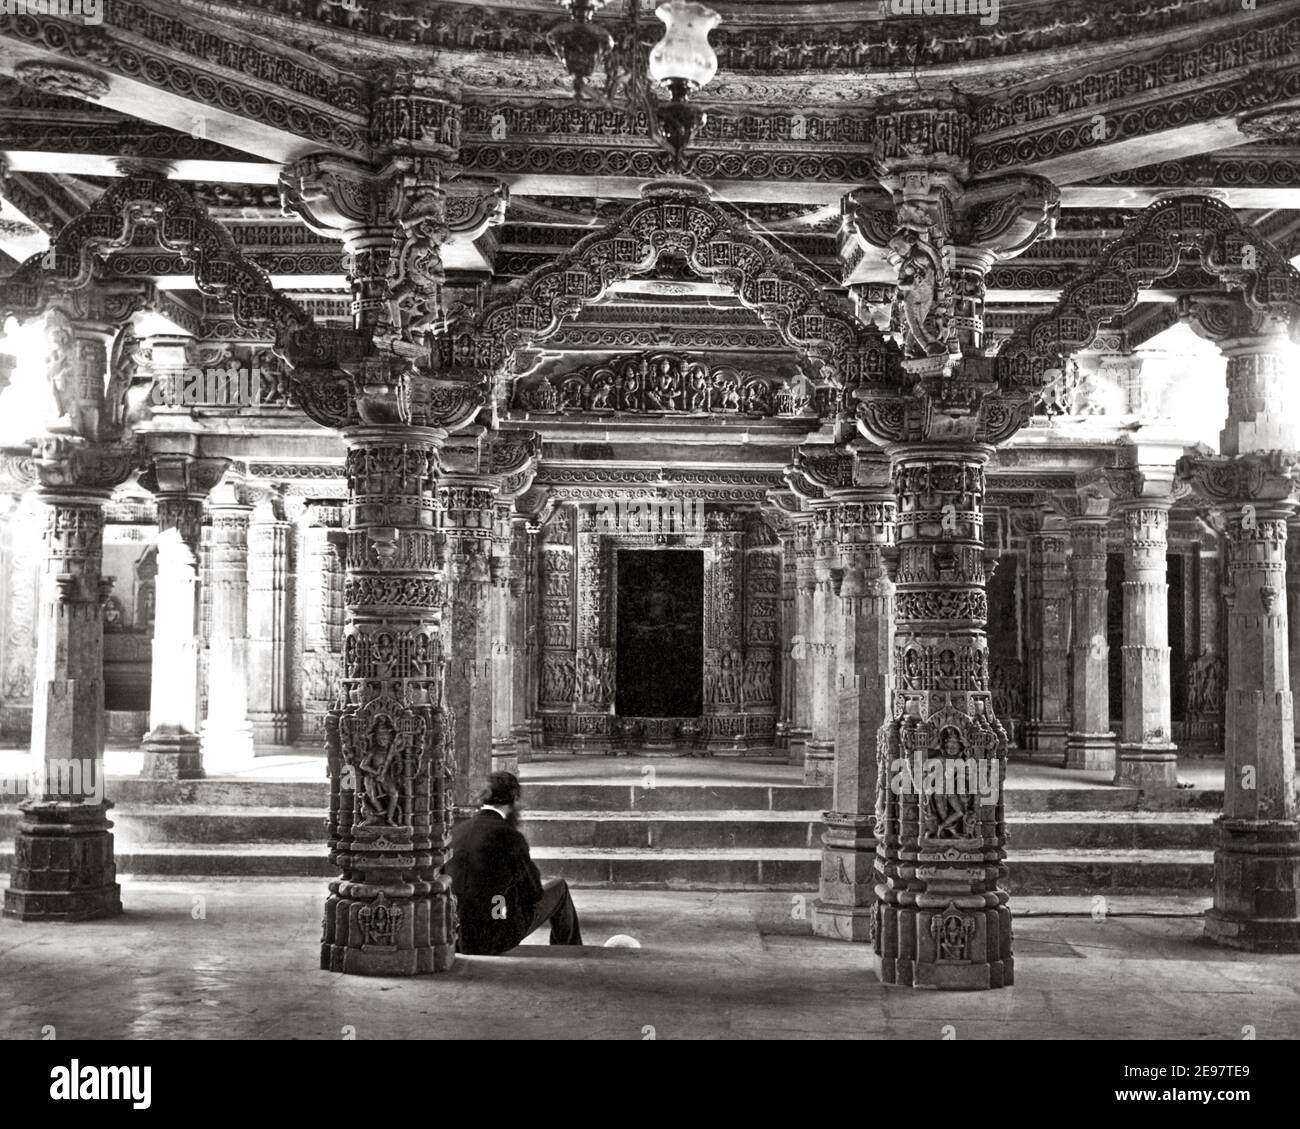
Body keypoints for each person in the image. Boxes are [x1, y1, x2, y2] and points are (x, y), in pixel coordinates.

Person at [446, 771, 583, 955]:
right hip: (494, 938)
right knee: (559, 889)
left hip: (455, 937)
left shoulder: (456, 832)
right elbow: (533, 893)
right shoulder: (510, 837)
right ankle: (572, 953)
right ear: (514, 801)